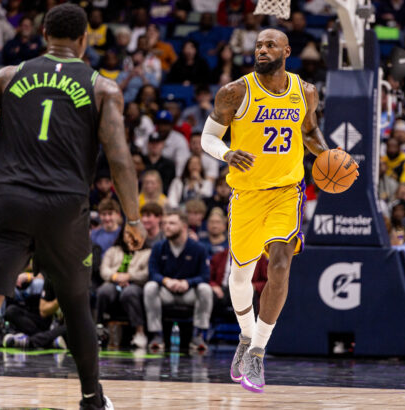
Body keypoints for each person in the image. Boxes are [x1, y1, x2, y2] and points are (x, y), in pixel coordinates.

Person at [0, 4, 145, 410]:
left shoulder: (7, 76)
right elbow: (120, 158)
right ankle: (92, 398)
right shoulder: (103, 88)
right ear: (83, 40)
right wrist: (134, 217)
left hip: (8, 201)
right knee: (76, 306)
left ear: (43, 34)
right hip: (64, 208)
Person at [201, 29, 355, 393]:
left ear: (287, 50)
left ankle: (257, 351)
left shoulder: (305, 91)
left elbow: (309, 132)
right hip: (246, 195)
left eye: (270, 45)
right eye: (258, 45)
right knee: (239, 278)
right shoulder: (235, 92)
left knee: (281, 263)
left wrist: (330, 155)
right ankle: (244, 336)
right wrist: (226, 153)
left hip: (287, 190)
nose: (262, 49)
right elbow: (207, 137)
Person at [143, 210, 212, 352]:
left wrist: (188, 282)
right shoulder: (158, 247)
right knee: (150, 287)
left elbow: (205, 276)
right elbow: (152, 273)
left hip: (189, 294)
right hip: (166, 293)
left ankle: (198, 335)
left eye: (172, 223)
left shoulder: (198, 248)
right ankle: (157, 335)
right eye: (165, 223)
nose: (166, 227)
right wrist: (166, 281)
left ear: (184, 227)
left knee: (205, 289)